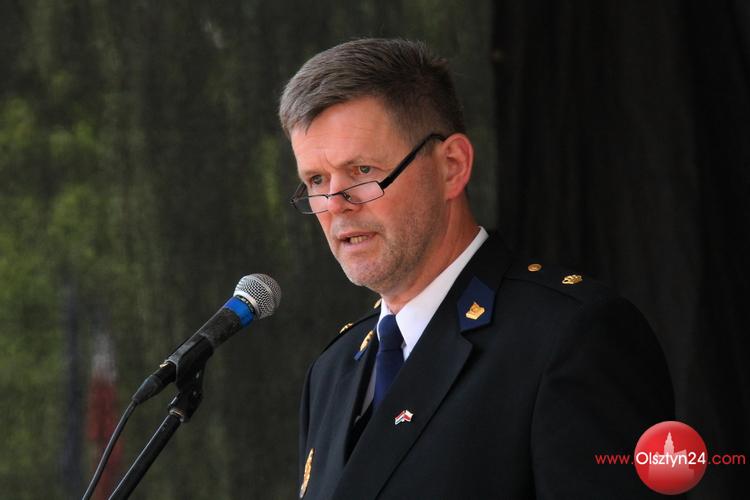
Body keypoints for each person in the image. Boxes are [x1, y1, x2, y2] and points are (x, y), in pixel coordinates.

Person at [279, 38, 675, 499]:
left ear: (451, 166)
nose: (335, 205)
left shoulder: (567, 336)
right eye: (316, 180)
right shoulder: (333, 372)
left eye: (363, 170)